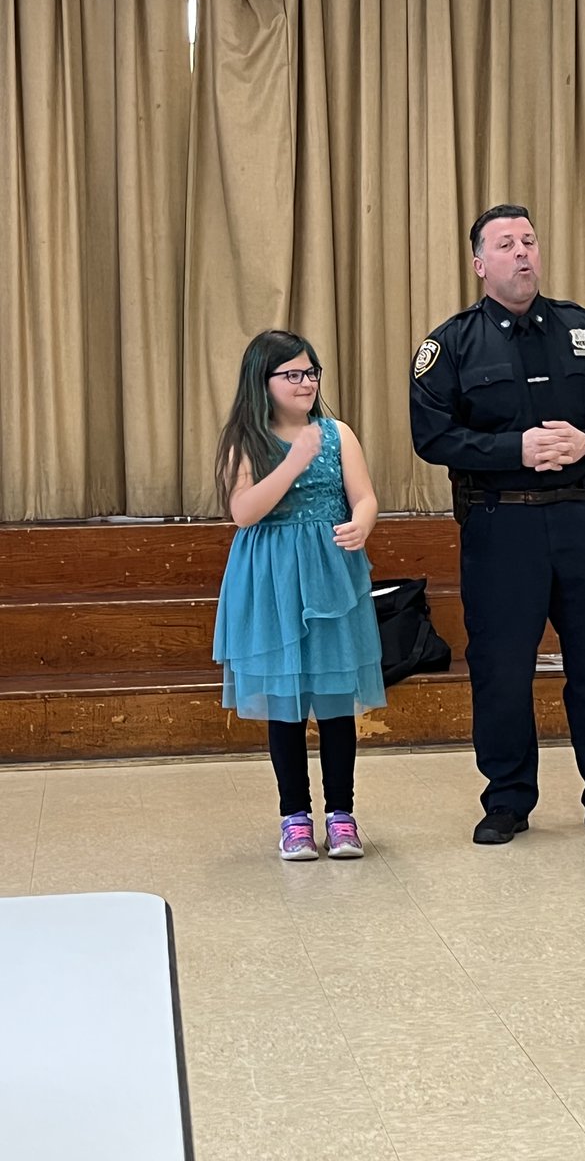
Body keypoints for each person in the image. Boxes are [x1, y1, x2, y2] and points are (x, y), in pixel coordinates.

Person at [409, 204, 585, 845]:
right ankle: (507, 800)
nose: (522, 252)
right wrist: (510, 450)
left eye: (529, 240)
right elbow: (432, 435)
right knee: (502, 667)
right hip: (501, 524)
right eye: (506, 244)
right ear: (479, 263)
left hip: (579, 516)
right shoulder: (451, 344)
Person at [213, 329, 385, 861]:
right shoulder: (246, 439)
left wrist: (362, 523)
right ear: (262, 382)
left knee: (335, 701)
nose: (306, 383)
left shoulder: (338, 434)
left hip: (331, 578)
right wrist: (294, 460)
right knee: (284, 705)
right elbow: (244, 512)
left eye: (311, 372)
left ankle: (341, 816)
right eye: (292, 374)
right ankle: (294, 818)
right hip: (270, 581)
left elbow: (364, 497)